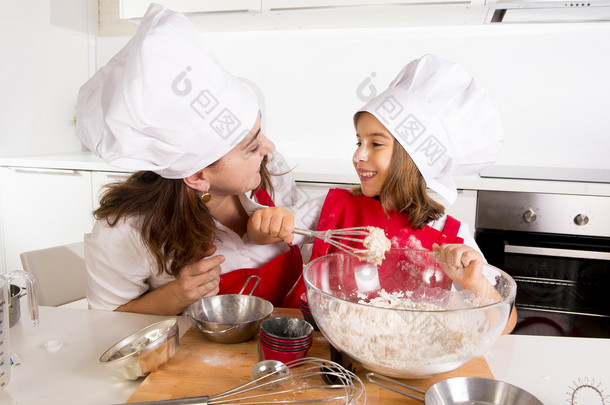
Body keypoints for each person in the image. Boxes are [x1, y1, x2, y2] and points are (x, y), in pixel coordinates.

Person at [248, 54, 517, 333]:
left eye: (376, 144)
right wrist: (264, 224)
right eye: (359, 141)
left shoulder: (450, 237)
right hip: (316, 339)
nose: (358, 155)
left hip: (403, 354)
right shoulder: (333, 206)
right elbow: (262, 237)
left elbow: (505, 325)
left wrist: (475, 283)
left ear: (414, 159)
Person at [76, 4, 312, 315]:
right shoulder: (125, 232)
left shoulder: (274, 171)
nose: (268, 147)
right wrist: (175, 295)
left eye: (260, 132)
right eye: (251, 147)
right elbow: (102, 325)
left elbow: (313, 251)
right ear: (198, 177)